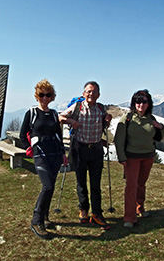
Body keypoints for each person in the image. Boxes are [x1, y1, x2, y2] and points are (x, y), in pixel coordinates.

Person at [59, 81, 112, 230]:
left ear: (98, 95)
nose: (91, 94)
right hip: (79, 149)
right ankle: (83, 209)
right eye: (88, 91)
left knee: (96, 184)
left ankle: (96, 213)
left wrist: (108, 118)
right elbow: (60, 117)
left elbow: (106, 118)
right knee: (81, 181)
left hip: (96, 150)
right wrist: (71, 121)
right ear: (83, 94)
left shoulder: (101, 109)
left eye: (94, 92)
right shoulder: (77, 107)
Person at [20, 79, 68, 239]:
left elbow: (58, 135)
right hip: (40, 154)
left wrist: (63, 154)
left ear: (52, 97)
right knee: (47, 186)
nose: (45, 98)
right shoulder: (32, 113)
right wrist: (29, 147)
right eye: (42, 95)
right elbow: (22, 135)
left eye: (48, 95)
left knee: (51, 186)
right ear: (37, 95)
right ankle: (36, 220)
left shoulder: (54, 114)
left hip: (54, 153)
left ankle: (45, 217)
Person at [114, 89, 164, 228]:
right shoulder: (128, 118)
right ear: (134, 103)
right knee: (131, 187)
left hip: (148, 156)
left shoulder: (151, 119)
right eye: (138, 101)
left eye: (144, 101)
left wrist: (160, 127)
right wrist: (122, 158)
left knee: (141, 184)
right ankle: (129, 218)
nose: (141, 104)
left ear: (148, 104)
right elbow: (119, 140)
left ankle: (139, 208)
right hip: (131, 158)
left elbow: (159, 137)